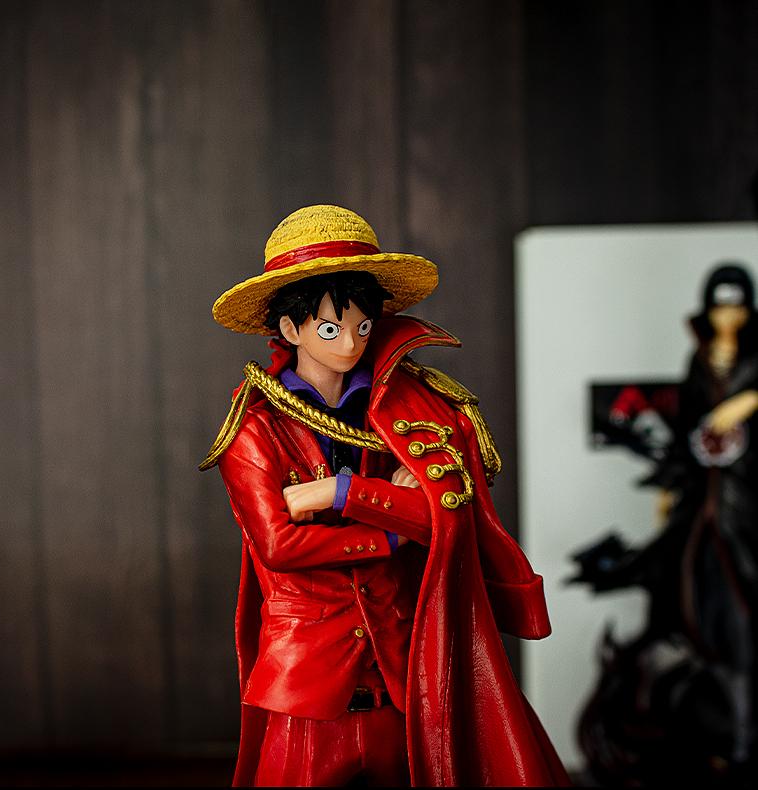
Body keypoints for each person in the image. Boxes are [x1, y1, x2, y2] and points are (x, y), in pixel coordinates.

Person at [200, 204, 569, 787]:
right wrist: (392, 528)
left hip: (402, 676)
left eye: (363, 326)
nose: (350, 342)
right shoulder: (255, 428)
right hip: (308, 684)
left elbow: (445, 515)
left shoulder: (408, 411)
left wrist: (342, 491)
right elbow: (279, 546)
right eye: (330, 328)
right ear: (291, 330)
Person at [570, 263, 758, 785]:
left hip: (745, 495)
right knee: (685, 578)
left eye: (737, 307)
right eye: (719, 307)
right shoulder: (699, 360)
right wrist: (673, 488)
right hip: (703, 497)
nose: (727, 317)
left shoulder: (752, 361)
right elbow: (687, 426)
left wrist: (746, 401)